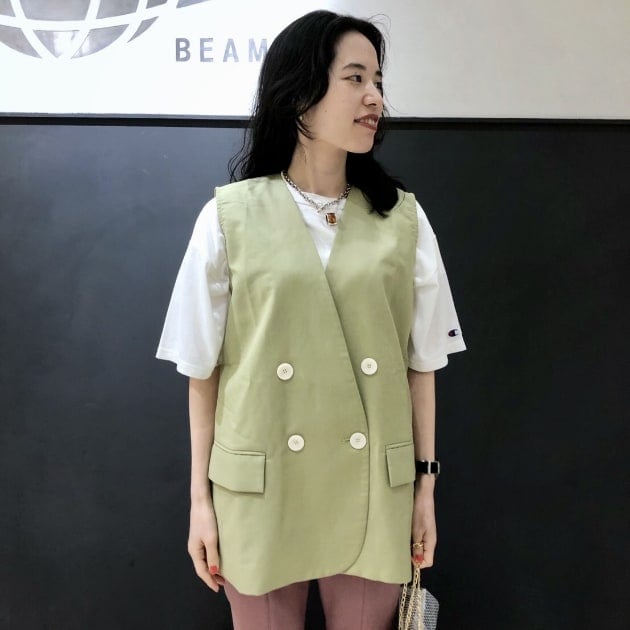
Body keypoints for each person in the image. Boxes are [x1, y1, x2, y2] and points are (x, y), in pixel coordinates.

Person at [156, 9, 466, 630]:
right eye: (355, 78)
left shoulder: (403, 219)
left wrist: (425, 490)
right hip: (260, 485)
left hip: (374, 486)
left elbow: (421, 365)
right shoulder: (228, 217)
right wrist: (199, 503)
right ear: (299, 93)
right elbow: (202, 372)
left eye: (378, 81)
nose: (375, 97)